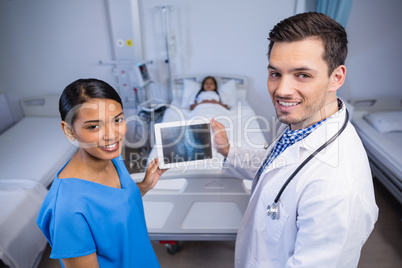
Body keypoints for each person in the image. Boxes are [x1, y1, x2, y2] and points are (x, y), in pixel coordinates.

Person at [211, 12, 378, 267]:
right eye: (275, 73)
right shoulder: (299, 124)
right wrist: (228, 149)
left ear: (337, 77)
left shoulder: (338, 188)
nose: (282, 90)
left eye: (302, 75)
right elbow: (276, 165)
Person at [36, 78, 166, 268]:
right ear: (69, 131)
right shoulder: (67, 209)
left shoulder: (111, 157)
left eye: (118, 120)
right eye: (94, 126)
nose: (112, 135)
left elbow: (115, 207)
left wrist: (145, 185)